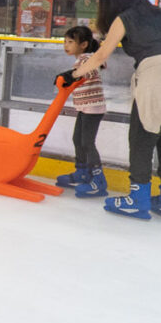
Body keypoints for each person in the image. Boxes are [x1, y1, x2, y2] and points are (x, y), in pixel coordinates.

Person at [59, 0, 161, 221]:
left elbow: (101, 54)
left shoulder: (123, 17)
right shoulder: (155, 13)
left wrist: (72, 74)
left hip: (158, 76)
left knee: (141, 139)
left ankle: (138, 199)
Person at [53, 26, 107, 198]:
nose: (66, 45)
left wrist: (71, 75)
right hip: (86, 107)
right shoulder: (83, 58)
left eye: (70, 42)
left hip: (93, 107)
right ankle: (82, 172)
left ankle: (98, 181)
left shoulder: (86, 59)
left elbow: (88, 72)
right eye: (64, 42)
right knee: (78, 139)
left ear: (83, 44)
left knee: (87, 142)